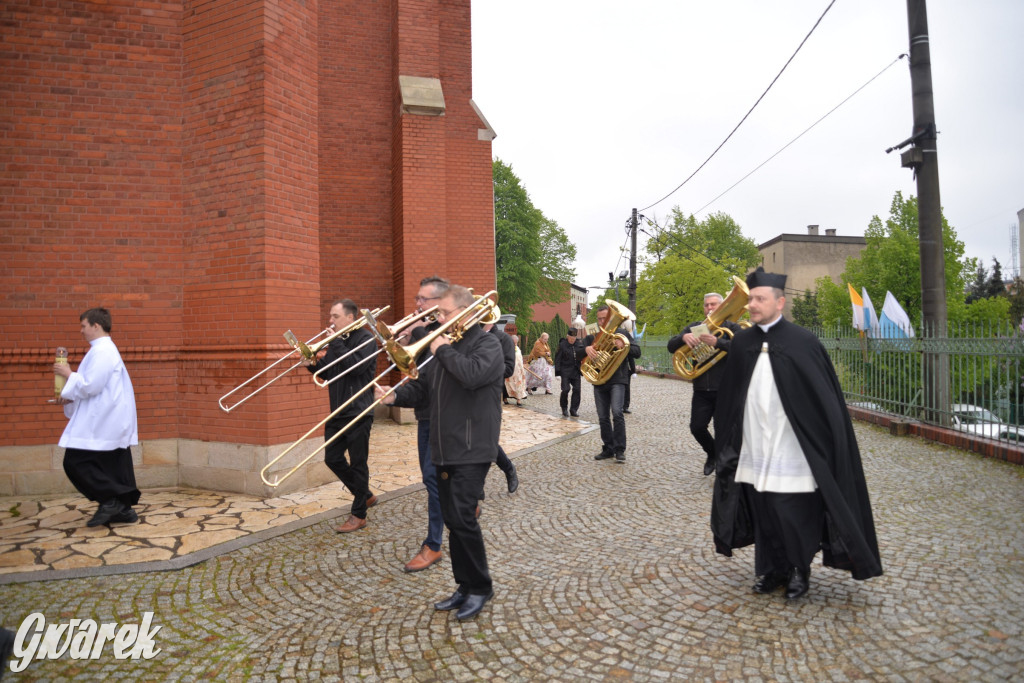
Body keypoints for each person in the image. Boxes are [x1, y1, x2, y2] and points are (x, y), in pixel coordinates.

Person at [711, 268, 883, 600]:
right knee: (764, 508)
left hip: (793, 448)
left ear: (780, 302)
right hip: (756, 446)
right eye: (750, 299)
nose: (752, 305)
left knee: (793, 509)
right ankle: (772, 569)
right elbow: (731, 398)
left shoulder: (803, 342)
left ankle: (798, 570)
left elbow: (824, 402)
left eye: (760, 299)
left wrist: (822, 442)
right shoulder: (743, 342)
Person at [378, 285, 505, 620]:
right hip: (443, 445)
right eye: (439, 314)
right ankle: (464, 585)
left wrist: (442, 347)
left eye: (444, 313)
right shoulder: (443, 348)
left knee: (463, 518)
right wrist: (394, 397)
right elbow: (424, 390)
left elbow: (472, 375)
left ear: (467, 312)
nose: (438, 319)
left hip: (473, 446)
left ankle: (481, 587)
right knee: (452, 519)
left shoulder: (487, 344)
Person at [53, 307, 141, 527]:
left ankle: (111, 501)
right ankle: (123, 509)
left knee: (74, 462)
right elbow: (91, 385)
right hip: (107, 418)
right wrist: (70, 395)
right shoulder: (101, 350)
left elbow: (92, 385)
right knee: (112, 464)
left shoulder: (102, 351)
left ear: (96, 325)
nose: (81, 331)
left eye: (83, 326)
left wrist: (68, 375)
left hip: (103, 420)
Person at [302, 299, 377, 534]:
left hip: (359, 410)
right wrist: (311, 364)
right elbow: (329, 371)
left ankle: (359, 514)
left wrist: (335, 342)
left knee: (358, 463)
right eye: (331, 316)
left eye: (335, 316)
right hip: (338, 410)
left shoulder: (366, 340)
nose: (330, 321)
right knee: (332, 458)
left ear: (350, 318)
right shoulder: (339, 342)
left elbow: (355, 367)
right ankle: (364, 494)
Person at [395, 276, 448, 572]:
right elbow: (420, 380)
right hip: (425, 414)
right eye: (416, 299)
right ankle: (462, 506)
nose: (416, 304)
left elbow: (441, 366)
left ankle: (433, 544)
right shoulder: (423, 331)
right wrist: (393, 396)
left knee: (433, 479)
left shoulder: (449, 331)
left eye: (422, 300)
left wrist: (414, 334)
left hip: (445, 416)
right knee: (434, 479)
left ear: (440, 302)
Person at [667, 292, 743, 476]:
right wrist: (683, 338)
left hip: (726, 389)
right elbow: (671, 346)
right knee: (697, 427)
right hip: (701, 389)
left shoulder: (732, 327)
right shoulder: (696, 327)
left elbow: (744, 350)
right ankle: (712, 453)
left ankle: (725, 470)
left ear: (722, 306)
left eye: (714, 305)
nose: (709, 308)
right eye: (707, 305)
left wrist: (718, 342)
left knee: (722, 430)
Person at [583, 305, 641, 463]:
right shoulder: (593, 335)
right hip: (599, 380)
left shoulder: (621, 333)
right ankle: (608, 448)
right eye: (599, 319)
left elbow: (638, 352)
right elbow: (580, 350)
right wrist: (586, 349)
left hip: (617, 379)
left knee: (617, 412)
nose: (602, 322)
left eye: (604, 318)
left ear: (609, 318)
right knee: (602, 417)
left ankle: (620, 449)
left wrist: (625, 346)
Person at [484, 320, 519, 494]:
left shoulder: (503, 338)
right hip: (469, 391)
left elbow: (509, 369)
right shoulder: (471, 337)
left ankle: (508, 468)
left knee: (487, 441)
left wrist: (483, 369)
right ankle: (476, 487)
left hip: (490, 392)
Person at [554, 327, 586, 417]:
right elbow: (557, 359)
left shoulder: (579, 344)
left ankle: (573, 409)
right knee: (565, 389)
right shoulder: (562, 344)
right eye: (571, 338)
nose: (572, 340)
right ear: (568, 337)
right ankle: (564, 408)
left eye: (574, 338)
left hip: (576, 370)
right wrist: (557, 373)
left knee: (577, 390)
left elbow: (584, 356)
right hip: (565, 371)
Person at [504, 334, 528, 406]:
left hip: (518, 370)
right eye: (513, 342)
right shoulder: (506, 348)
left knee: (519, 384)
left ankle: (519, 399)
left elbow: (520, 359)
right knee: (507, 384)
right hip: (509, 370)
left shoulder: (517, 349)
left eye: (516, 342)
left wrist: (521, 368)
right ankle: (505, 398)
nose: (515, 344)